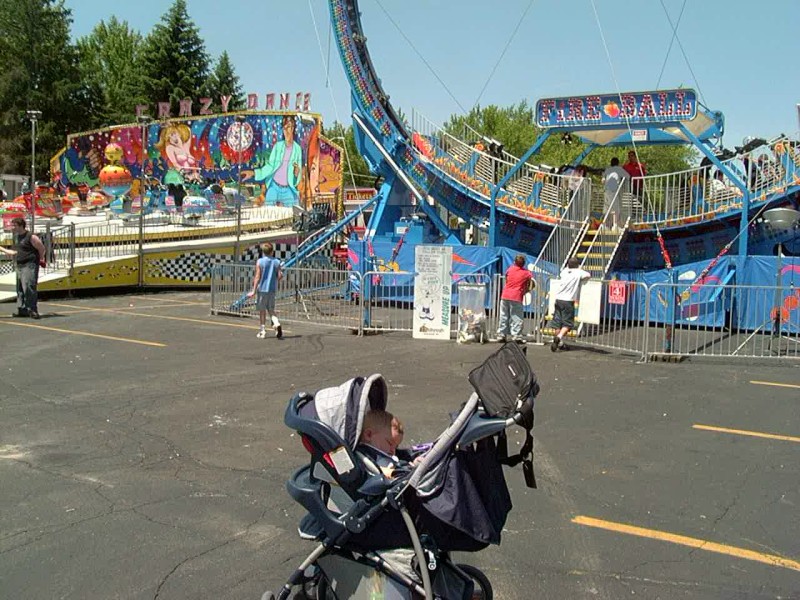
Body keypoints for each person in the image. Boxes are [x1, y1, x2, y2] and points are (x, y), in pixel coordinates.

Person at [242, 115, 303, 206]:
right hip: (274, 187)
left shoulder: (297, 149)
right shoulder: (278, 146)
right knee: (268, 210)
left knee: (294, 212)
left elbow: (296, 177)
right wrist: (254, 173)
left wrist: (296, 174)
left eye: (289, 127)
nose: (286, 130)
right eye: (284, 127)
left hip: (288, 189)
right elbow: (270, 166)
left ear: (293, 128)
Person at [0, 217, 45, 319]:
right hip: (19, 264)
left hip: (29, 264)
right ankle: (22, 309)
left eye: (14, 225)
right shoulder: (16, 237)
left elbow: (41, 248)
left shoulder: (31, 237)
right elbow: (15, 250)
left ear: (21, 226)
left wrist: (41, 259)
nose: (12, 227)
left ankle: (32, 309)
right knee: (20, 289)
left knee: (29, 286)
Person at [550, 257, 591, 352]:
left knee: (557, 323)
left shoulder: (564, 272)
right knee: (568, 323)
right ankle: (559, 337)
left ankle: (559, 343)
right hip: (568, 300)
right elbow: (588, 275)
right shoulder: (579, 272)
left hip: (558, 298)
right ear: (577, 265)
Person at [492, 254, 534, 343]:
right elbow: (531, 284)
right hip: (516, 296)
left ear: (515, 262)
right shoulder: (526, 273)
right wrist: (525, 290)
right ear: (524, 264)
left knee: (504, 315)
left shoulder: (510, 269)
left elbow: (507, 280)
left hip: (505, 295)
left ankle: (501, 334)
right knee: (516, 316)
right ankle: (516, 335)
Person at [247, 241, 283, 339]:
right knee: (271, 309)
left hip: (262, 289)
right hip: (272, 289)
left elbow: (257, 276)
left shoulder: (260, 261)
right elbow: (280, 275)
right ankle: (276, 323)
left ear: (263, 252)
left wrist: (253, 290)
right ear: (272, 251)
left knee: (262, 311)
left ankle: (263, 331)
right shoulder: (277, 261)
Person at [602, 158, 629, 230]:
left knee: (607, 208)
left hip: (606, 190)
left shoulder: (608, 170)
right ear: (617, 163)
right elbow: (628, 176)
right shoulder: (618, 169)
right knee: (615, 208)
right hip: (614, 191)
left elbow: (603, 180)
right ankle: (615, 225)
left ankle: (606, 225)